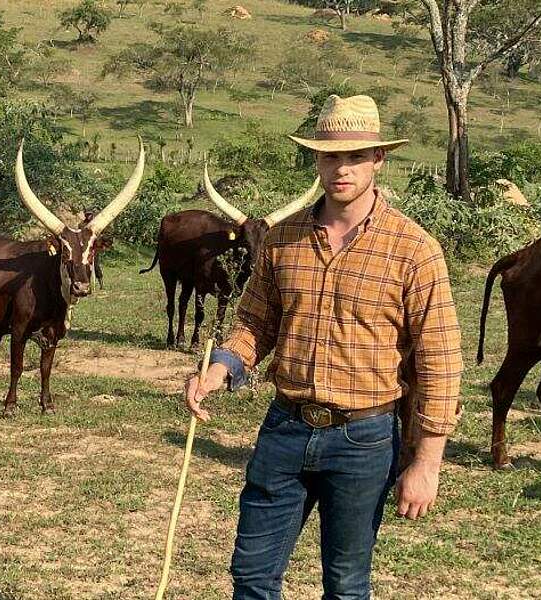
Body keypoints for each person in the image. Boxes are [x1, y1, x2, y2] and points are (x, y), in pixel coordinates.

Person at [183, 94, 463, 599]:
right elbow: (255, 322)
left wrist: (426, 461)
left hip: (365, 437)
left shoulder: (414, 249)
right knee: (251, 574)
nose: (342, 168)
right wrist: (222, 366)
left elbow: (440, 363)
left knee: (346, 582)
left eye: (356, 156)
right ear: (316, 159)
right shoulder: (284, 238)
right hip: (285, 427)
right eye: (331, 156)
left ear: (378, 158)